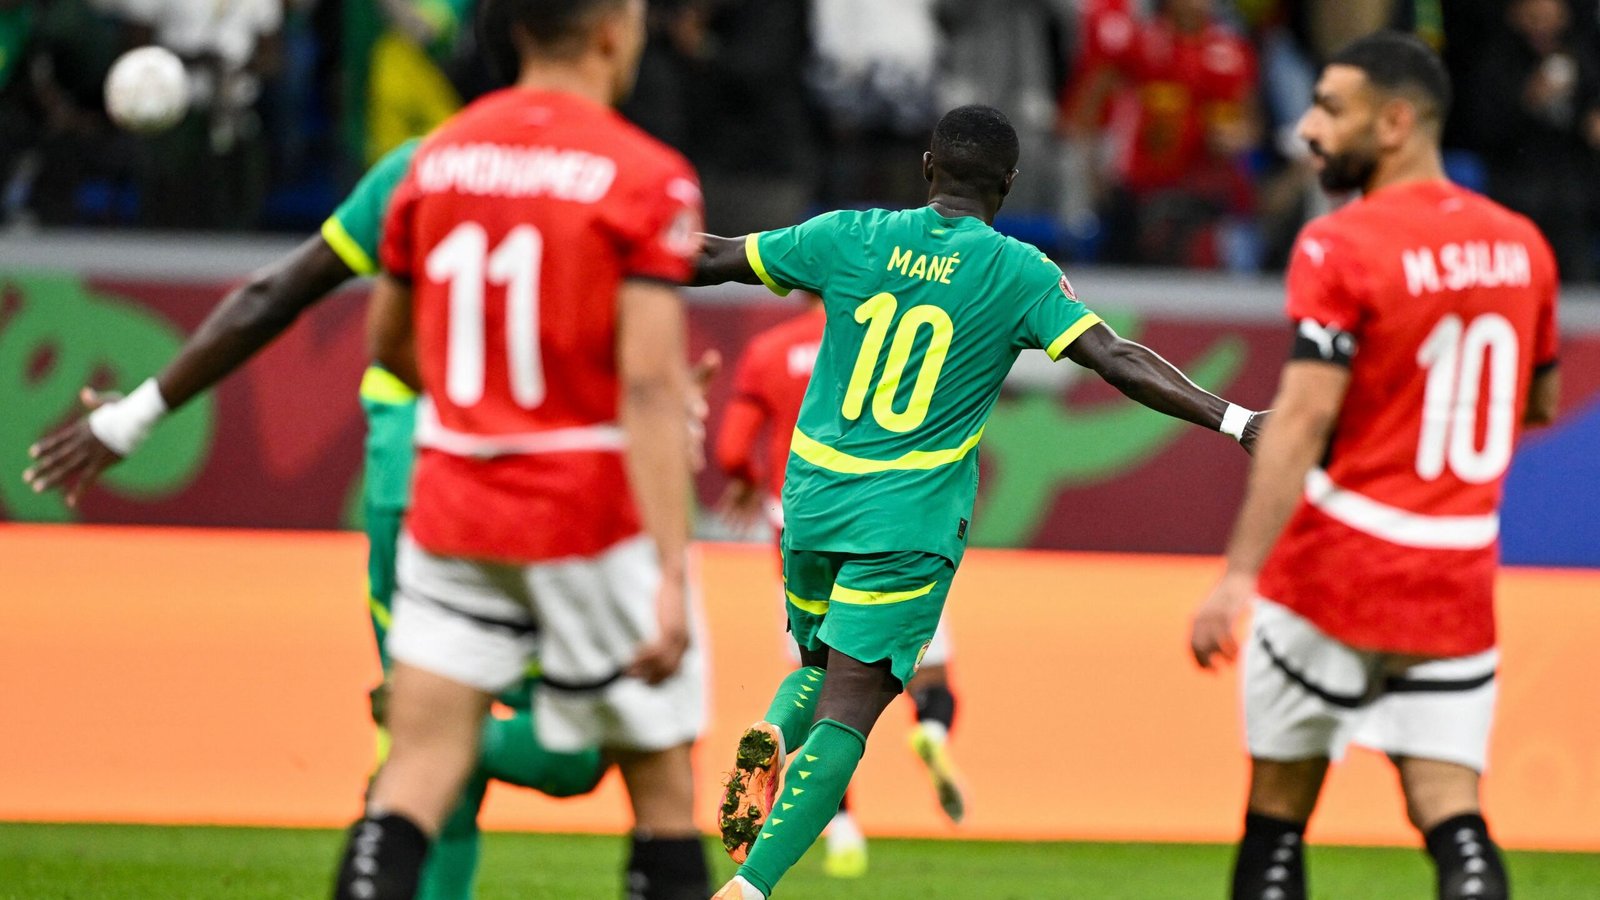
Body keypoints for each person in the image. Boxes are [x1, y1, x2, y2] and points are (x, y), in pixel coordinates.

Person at [20, 129, 611, 898]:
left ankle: (418, 741)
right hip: (493, 490)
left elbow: (278, 292)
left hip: (428, 490)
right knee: (563, 746)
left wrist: (133, 416)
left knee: (455, 755)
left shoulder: (421, 166)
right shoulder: (602, 169)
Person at [694, 104, 1264, 900]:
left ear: (928, 167)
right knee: (853, 708)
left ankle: (773, 728)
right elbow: (1115, 357)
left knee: (818, 664)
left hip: (812, 503)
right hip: (907, 516)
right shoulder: (1017, 271)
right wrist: (1234, 420)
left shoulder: (849, 234)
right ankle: (749, 888)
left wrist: (601, 251)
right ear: (1009, 185)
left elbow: (715, 256)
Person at [332, 0, 711, 896]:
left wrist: (492, 403)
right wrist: (668, 569)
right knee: (661, 788)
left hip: (452, 504)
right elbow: (650, 387)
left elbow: (387, 341)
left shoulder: (436, 158)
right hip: (588, 512)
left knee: (415, 772)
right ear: (614, 32)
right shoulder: (647, 176)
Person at [1189, 32, 1561, 900]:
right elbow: (1536, 404)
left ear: (1395, 123)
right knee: (1455, 823)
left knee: (1277, 822)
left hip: (1338, 565)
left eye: (1331, 109)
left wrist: (1238, 575)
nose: (1309, 129)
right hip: (1456, 571)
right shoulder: (1523, 246)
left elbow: (1306, 416)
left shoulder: (1340, 243)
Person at [715, 294, 965, 879]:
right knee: (884, 688)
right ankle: (929, 730)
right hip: (888, 529)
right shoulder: (890, 347)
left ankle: (799, 765)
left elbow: (731, 448)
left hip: (801, 528)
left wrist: (749, 482)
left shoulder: (768, 350)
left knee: (817, 673)